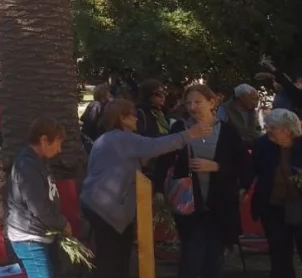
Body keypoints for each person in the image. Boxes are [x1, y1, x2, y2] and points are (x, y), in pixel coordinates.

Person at [81, 99, 211, 278]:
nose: (137, 119)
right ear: (122, 118)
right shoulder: (123, 138)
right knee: (113, 259)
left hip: (96, 205)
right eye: (133, 115)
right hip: (109, 210)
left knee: (111, 256)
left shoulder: (105, 139)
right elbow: (156, 146)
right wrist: (189, 134)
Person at [154, 84, 251, 278]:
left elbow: (244, 166)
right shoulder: (180, 128)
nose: (192, 107)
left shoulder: (227, 131)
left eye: (198, 102)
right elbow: (164, 160)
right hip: (188, 204)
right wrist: (157, 189)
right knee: (192, 255)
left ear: (212, 102)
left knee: (214, 257)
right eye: (188, 103)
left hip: (220, 204)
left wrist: (217, 167)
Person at [251, 109, 302, 278]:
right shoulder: (262, 144)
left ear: (288, 130)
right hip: (274, 208)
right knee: (280, 259)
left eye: (272, 128)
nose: (268, 131)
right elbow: (252, 170)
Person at [6, 117, 70, 278]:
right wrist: (62, 223)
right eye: (58, 143)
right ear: (44, 140)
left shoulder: (39, 160)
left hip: (41, 234)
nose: (59, 149)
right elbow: (39, 208)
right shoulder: (27, 166)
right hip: (29, 238)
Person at [217, 83, 262, 149]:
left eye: (257, 98)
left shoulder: (252, 111)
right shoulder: (225, 110)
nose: (256, 101)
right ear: (241, 97)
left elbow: (257, 130)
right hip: (231, 149)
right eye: (253, 98)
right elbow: (220, 132)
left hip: (251, 148)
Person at [80, 84, 110, 148]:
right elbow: (90, 122)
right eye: (108, 92)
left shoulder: (104, 105)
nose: (109, 94)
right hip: (93, 138)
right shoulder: (96, 105)